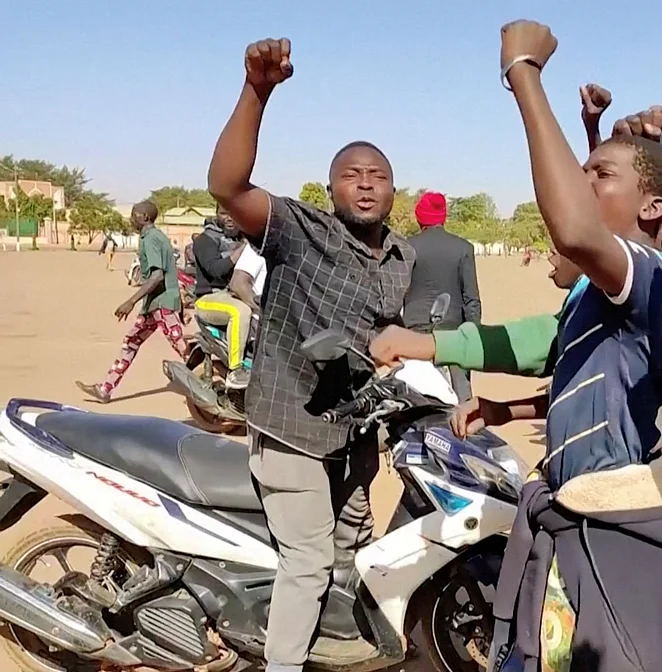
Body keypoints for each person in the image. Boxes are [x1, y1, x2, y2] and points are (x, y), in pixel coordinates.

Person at [461, 21, 662, 671]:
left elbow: (576, 227)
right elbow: (584, 385)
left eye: (599, 173)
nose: (582, 181)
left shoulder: (647, 275)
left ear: (654, 209)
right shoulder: (595, 293)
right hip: (576, 522)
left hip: (618, 535)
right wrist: (504, 410)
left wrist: (524, 72)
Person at [207, 37, 414, 672]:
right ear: (330, 189)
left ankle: (335, 639)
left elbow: (391, 335)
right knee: (310, 558)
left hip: (353, 436)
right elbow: (227, 186)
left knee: (356, 544)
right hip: (291, 425)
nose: (366, 184)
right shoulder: (299, 231)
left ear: (394, 189)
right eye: (352, 175)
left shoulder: (402, 257)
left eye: (377, 176)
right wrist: (257, 91)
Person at [76, 201, 188, 403]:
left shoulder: (151, 238)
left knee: (182, 347)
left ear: (145, 217)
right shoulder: (155, 237)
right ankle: (105, 389)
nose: (131, 219)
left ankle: (212, 385)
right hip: (154, 304)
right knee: (131, 342)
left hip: (162, 304)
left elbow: (157, 276)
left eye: (134, 215)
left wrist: (131, 301)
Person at [402, 190, 481, 400]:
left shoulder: (407, 247)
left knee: (414, 393)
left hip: (414, 331)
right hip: (453, 332)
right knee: (462, 392)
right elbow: (471, 299)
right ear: (443, 217)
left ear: (420, 217)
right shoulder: (463, 248)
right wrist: (474, 336)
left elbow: (398, 292)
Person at [193, 208, 255, 387]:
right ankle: (235, 370)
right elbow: (216, 270)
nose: (229, 218)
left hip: (233, 296)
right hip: (209, 299)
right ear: (216, 214)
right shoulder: (205, 240)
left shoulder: (242, 238)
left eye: (233, 212)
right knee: (240, 312)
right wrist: (244, 249)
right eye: (224, 213)